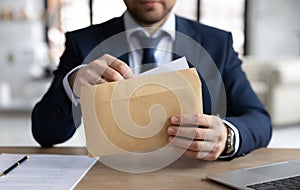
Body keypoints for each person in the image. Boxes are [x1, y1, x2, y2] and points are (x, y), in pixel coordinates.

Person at [31, 0, 272, 161]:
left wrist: (227, 136)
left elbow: (258, 119)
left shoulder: (216, 43)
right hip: (111, 180)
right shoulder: (83, 42)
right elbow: (45, 134)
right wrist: (72, 85)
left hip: (193, 177)